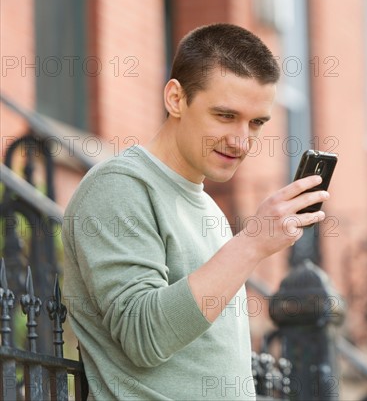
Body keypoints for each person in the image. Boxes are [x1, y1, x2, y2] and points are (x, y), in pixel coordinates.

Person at [62, 23, 329, 400]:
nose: (241, 141)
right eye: (224, 115)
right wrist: (252, 243)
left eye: (256, 123)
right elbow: (144, 337)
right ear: (176, 99)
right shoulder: (119, 186)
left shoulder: (205, 205)